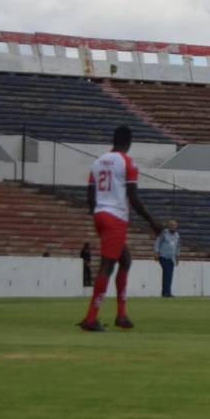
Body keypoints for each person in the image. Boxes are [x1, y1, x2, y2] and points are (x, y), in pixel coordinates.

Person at [78, 125, 162, 332]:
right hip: (115, 217)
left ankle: (121, 315)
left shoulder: (98, 162)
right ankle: (90, 318)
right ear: (129, 142)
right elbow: (133, 198)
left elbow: (90, 195)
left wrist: (98, 212)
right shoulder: (127, 162)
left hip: (100, 214)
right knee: (107, 265)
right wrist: (152, 222)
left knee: (124, 259)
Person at [154, 220, 180, 298]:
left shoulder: (177, 235)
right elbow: (157, 242)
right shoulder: (164, 233)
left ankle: (167, 292)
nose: (173, 227)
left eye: (174, 225)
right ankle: (166, 292)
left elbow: (178, 247)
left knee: (169, 275)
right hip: (163, 256)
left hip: (171, 257)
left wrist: (177, 257)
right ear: (168, 226)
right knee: (167, 273)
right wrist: (156, 253)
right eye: (171, 225)